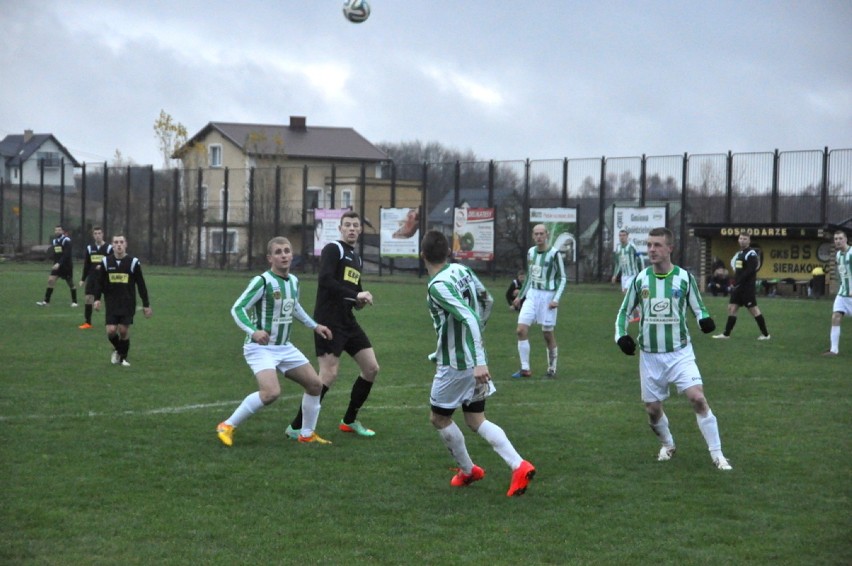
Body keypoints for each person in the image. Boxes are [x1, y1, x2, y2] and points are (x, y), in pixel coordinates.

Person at [421, 230, 536, 496]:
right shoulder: (462, 270)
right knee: (475, 419)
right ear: (449, 252)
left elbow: (469, 317)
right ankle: (519, 465)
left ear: (422, 255)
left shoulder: (437, 285)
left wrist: (478, 360)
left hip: (458, 365)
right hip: (471, 360)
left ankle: (468, 471)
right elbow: (488, 301)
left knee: (439, 418)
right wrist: (477, 344)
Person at [615, 227, 732, 471]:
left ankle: (718, 455)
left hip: (680, 352)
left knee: (698, 398)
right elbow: (624, 312)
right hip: (649, 356)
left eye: (657, 245)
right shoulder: (641, 279)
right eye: (648, 245)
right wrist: (621, 336)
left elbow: (699, 308)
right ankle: (668, 445)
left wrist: (704, 320)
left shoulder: (684, 278)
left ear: (670, 248)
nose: (652, 250)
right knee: (652, 410)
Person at [217, 237, 333, 446]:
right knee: (271, 393)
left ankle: (306, 434)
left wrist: (315, 326)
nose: (284, 255)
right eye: (278, 252)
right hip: (260, 348)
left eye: (287, 251)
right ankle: (227, 425)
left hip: (284, 347)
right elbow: (238, 308)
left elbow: (294, 307)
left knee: (316, 385)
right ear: (270, 258)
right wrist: (253, 331)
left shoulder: (294, 281)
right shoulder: (262, 281)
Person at [286, 211, 380, 439]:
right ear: (340, 228)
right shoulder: (333, 249)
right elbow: (325, 280)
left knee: (371, 368)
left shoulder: (356, 258)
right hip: (328, 321)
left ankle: (349, 420)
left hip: (348, 321)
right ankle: (297, 426)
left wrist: (361, 300)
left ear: (360, 230)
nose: (351, 229)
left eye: (355, 225)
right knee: (328, 375)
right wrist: (356, 295)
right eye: (347, 225)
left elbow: (353, 292)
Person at [512, 223, 567, 378]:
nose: (539, 236)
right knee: (520, 330)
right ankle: (525, 369)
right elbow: (530, 276)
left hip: (548, 296)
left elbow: (562, 278)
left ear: (547, 235)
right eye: (536, 234)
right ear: (532, 235)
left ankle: (552, 369)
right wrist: (520, 296)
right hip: (532, 295)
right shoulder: (530, 252)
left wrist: (556, 299)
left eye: (541, 233)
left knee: (547, 334)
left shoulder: (554, 254)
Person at [92, 234, 152, 366]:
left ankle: (123, 358)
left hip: (127, 302)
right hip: (112, 302)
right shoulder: (106, 262)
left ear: (126, 244)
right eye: (116, 242)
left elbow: (141, 284)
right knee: (111, 331)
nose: (119, 245)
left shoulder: (133, 262)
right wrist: (97, 299)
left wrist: (146, 304)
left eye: (121, 242)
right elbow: (100, 283)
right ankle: (119, 350)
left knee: (123, 331)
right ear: (112, 245)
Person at [713, 232, 771, 340]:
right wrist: (736, 281)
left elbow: (750, 270)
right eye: (741, 238)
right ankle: (726, 334)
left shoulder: (751, 254)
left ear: (749, 241)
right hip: (738, 287)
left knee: (754, 310)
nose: (742, 240)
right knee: (732, 308)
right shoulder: (740, 254)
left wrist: (740, 280)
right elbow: (738, 269)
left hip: (747, 288)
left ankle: (766, 334)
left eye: (745, 239)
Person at [823, 230, 852, 356]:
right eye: (836, 239)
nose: (838, 241)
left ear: (846, 239)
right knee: (835, 317)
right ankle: (834, 350)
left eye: (840, 238)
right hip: (842, 294)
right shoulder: (838, 255)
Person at [78, 226, 113, 329]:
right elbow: (87, 264)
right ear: (93, 235)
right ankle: (87, 322)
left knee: (109, 300)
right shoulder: (90, 248)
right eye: (95, 233)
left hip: (105, 278)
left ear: (102, 234)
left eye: (99, 233)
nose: (97, 235)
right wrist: (83, 279)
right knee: (88, 298)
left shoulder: (109, 248)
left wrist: (102, 266)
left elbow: (112, 262)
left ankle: (112, 321)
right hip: (92, 278)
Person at [36, 225, 78, 307]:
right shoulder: (55, 241)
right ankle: (46, 302)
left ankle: (75, 302)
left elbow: (67, 254)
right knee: (51, 280)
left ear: (62, 231)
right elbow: (56, 253)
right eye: (56, 230)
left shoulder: (66, 240)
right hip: (57, 265)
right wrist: (52, 260)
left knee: (70, 284)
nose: (57, 231)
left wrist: (59, 263)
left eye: (59, 230)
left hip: (66, 266)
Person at [611, 229, 643, 322]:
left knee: (626, 292)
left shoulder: (632, 246)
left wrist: (642, 272)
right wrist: (614, 275)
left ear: (627, 236)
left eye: (624, 235)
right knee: (627, 296)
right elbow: (618, 263)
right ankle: (638, 314)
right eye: (620, 235)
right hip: (624, 276)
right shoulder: (618, 248)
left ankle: (635, 314)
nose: (622, 237)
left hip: (633, 274)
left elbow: (640, 258)